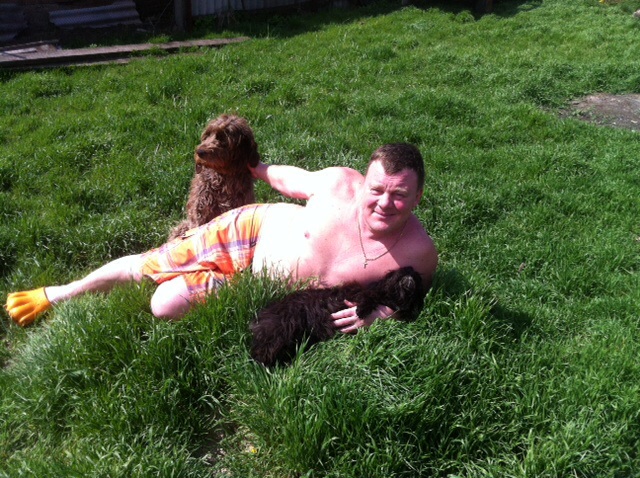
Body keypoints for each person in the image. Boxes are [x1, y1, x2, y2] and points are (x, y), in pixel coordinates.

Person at [5, 143, 438, 333]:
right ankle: (58, 293)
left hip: (256, 286)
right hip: (253, 231)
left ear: (417, 197)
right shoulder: (338, 184)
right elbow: (291, 180)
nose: (384, 203)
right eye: (376, 190)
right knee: (152, 265)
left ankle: (195, 283)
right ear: (362, 183)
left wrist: (379, 316)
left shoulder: (419, 253)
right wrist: (255, 168)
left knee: (164, 305)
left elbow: (406, 298)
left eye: (399, 195)